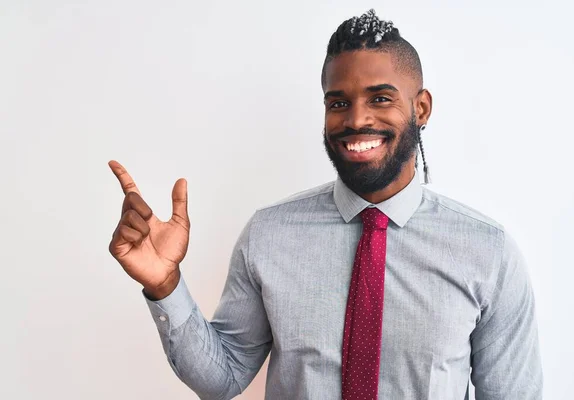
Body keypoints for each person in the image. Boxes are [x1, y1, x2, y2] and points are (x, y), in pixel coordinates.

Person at [108, 9, 542, 400]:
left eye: (381, 98)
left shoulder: (488, 253)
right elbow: (224, 377)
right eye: (338, 103)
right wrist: (166, 285)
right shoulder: (269, 235)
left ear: (421, 108)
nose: (356, 120)